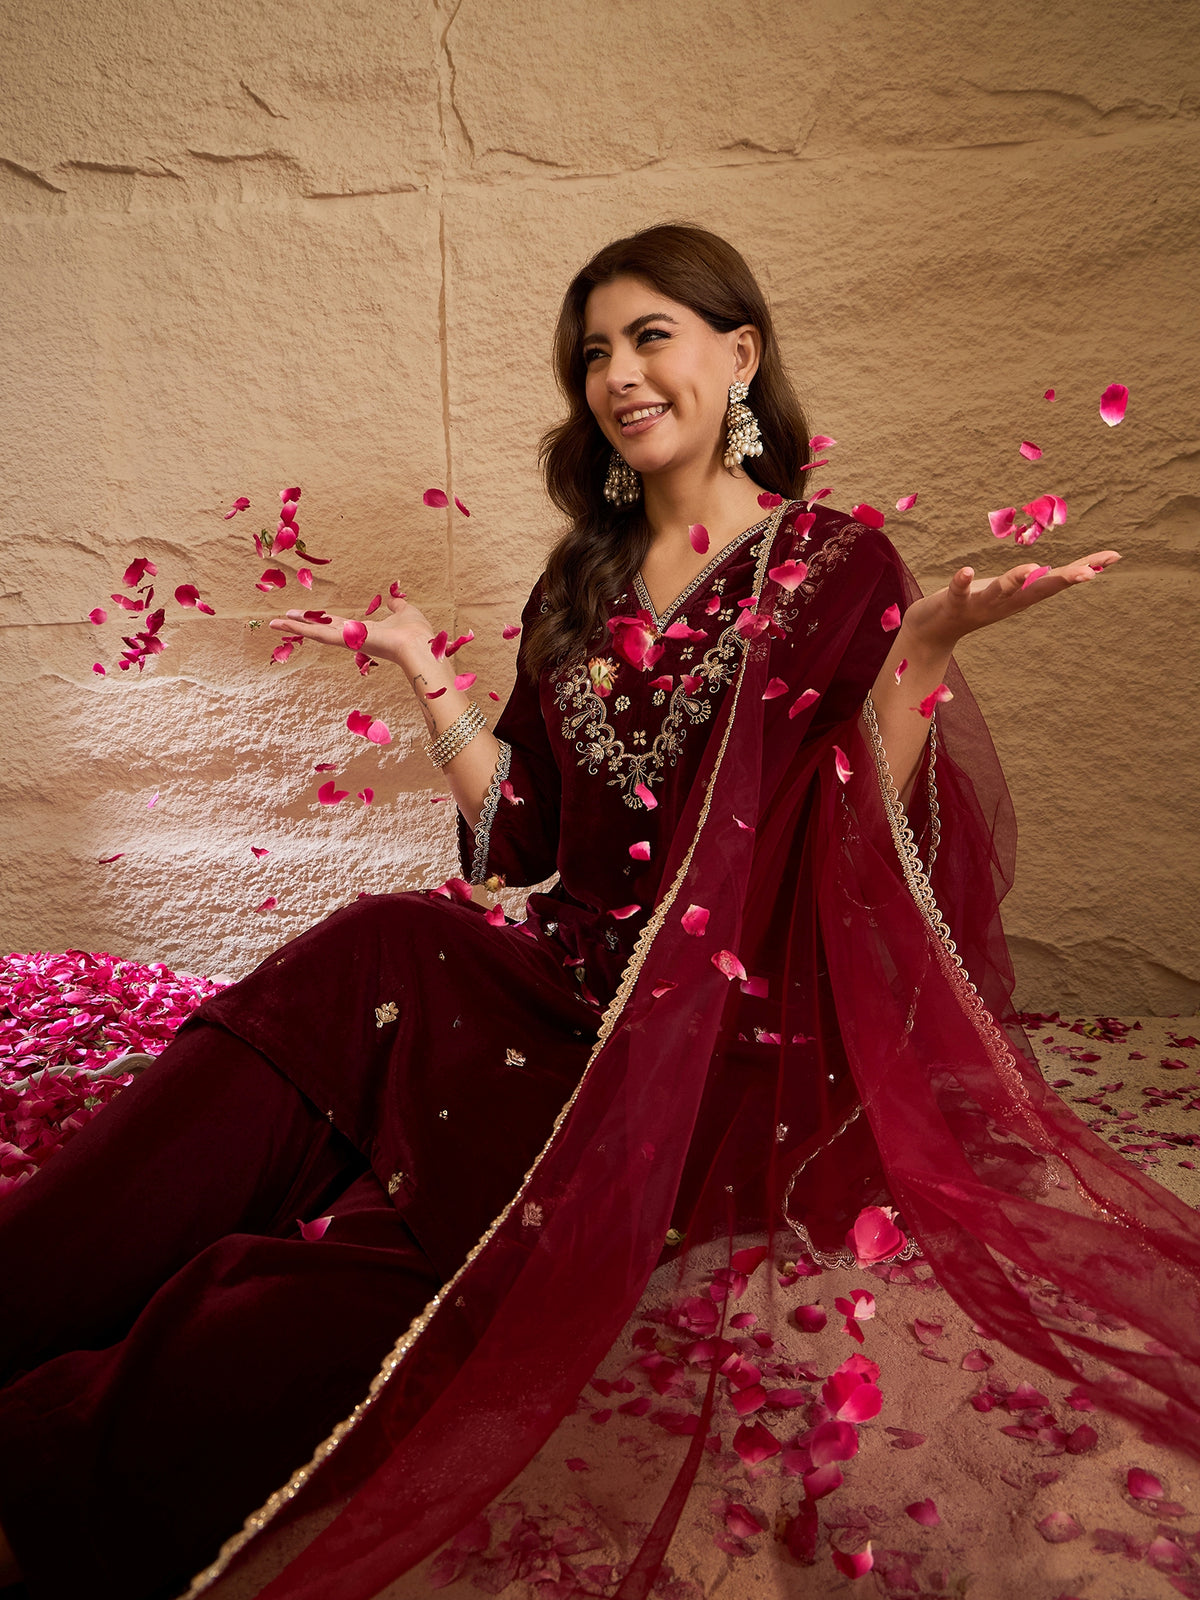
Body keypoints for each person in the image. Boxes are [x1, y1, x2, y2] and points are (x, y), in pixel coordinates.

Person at [1, 223, 1196, 1600]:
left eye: (650, 337)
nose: (619, 374)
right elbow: (520, 836)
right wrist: (423, 670)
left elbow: (860, 849)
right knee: (369, 950)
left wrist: (918, 659)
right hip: (556, 984)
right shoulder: (578, 584)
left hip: (719, 1047)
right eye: (593, 354)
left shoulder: (833, 565)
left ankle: (44, 1475)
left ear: (738, 355)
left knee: (385, 1266)